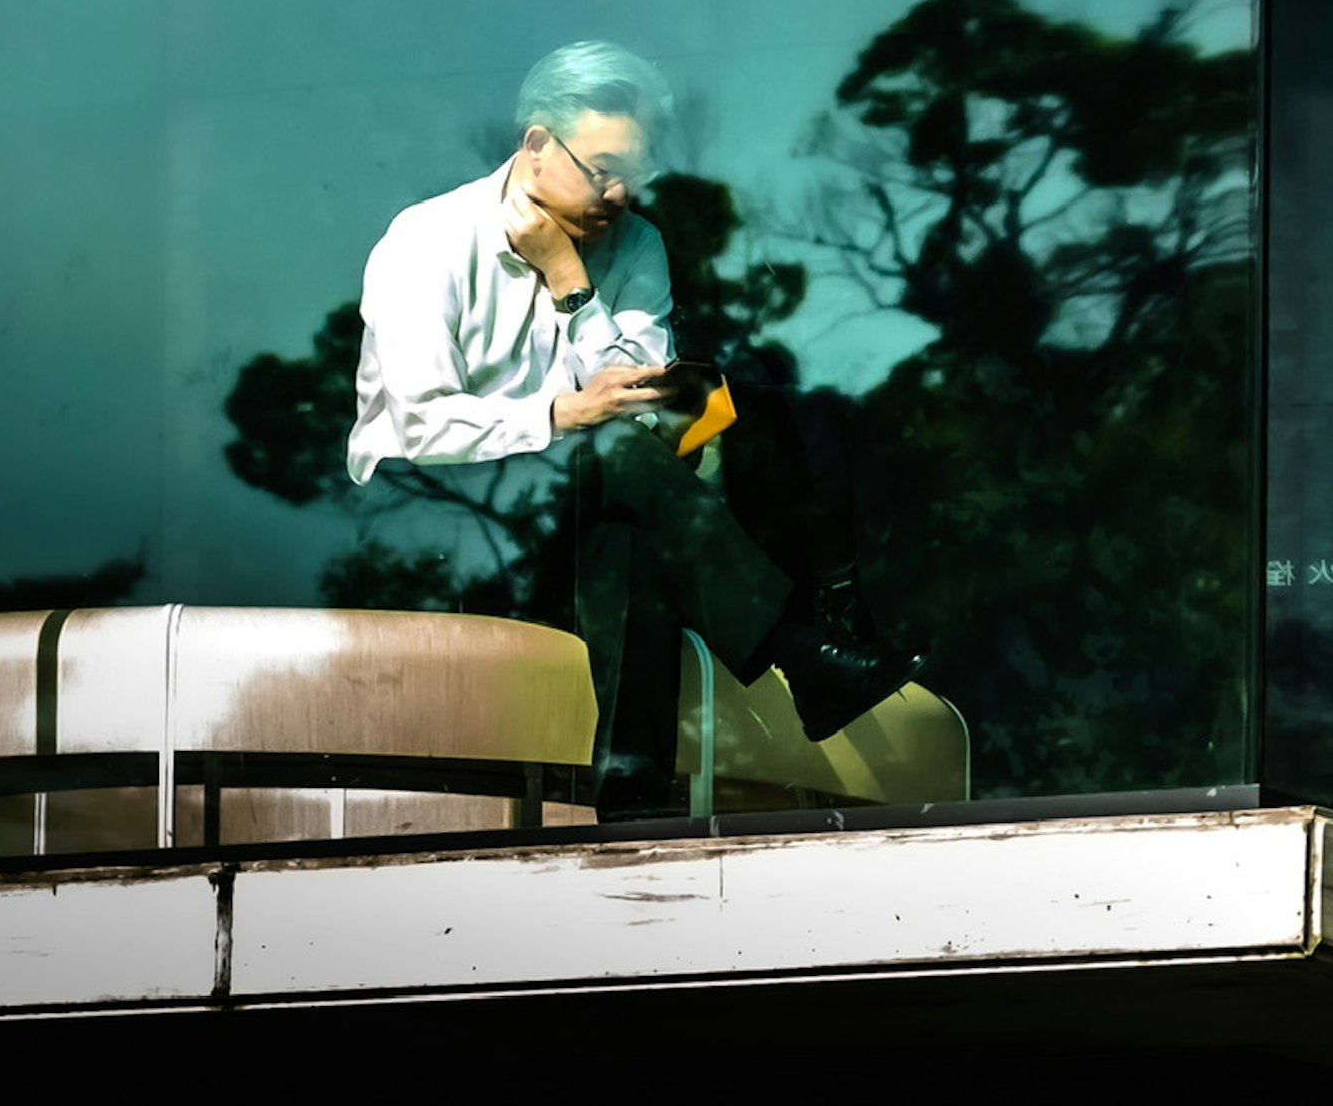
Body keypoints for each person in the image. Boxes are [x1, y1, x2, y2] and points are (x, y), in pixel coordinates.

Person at [348, 40, 917, 812]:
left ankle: (630, 782)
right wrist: (560, 411)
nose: (618, 192)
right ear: (538, 144)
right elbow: (416, 423)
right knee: (617, 471)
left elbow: (643, 408)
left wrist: (569, 281)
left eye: (635, 174)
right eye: (602, 168)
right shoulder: (427, 240)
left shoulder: (635, 243)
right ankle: (798, 645)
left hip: (583, 511)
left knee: (647, 493)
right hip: (441, 520)